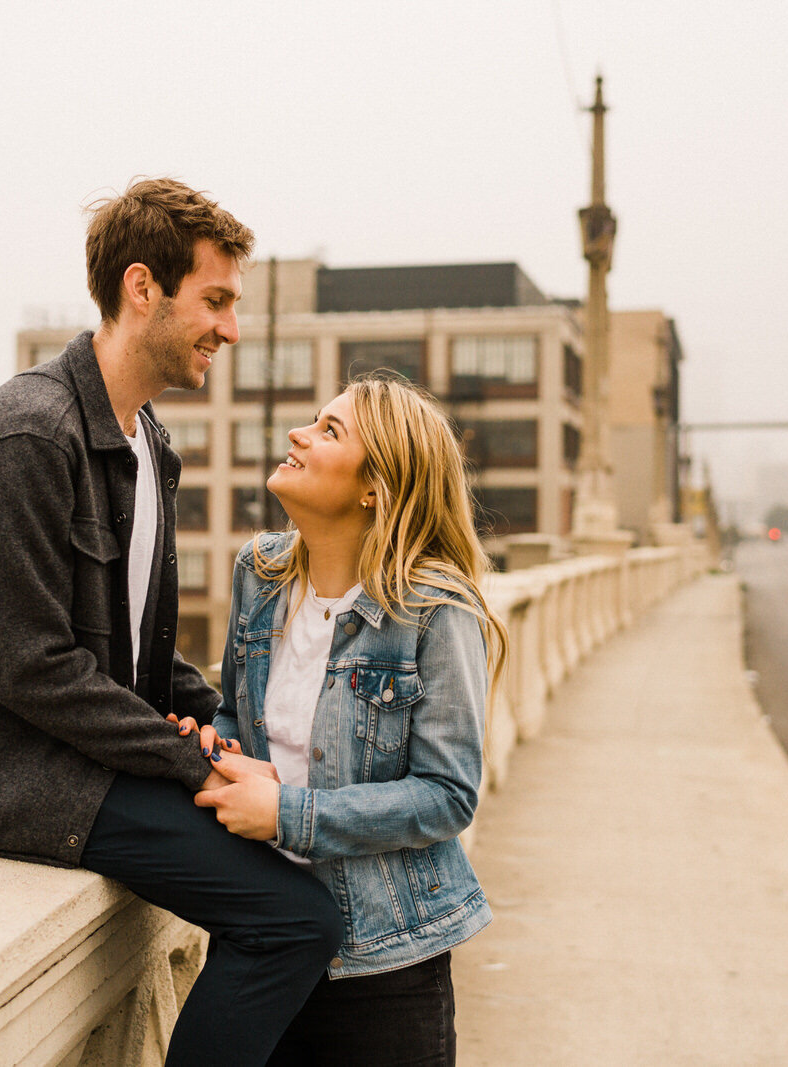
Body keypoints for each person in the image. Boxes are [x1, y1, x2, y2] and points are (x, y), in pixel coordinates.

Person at [0, 177, 342, 1067]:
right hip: (4, 772)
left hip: (83, 758)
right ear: (141, 287)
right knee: (293, 918)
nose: (230, 329)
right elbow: (32, 667)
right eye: (217, 300)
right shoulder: (28, 435)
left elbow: (140, 651)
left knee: (304, 865)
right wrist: (192, 753)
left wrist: (232, 723)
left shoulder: (149, 444)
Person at [176, 376, 507, 1065]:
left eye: (330, 431)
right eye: (312, 420)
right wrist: (224, 745)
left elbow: (447, 794)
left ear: (374, 488)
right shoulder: (259, 575)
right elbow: (239, 708)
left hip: (385, 965)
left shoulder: (435, 608)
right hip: (263, 941)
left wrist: (286, 813)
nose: (298, 434)